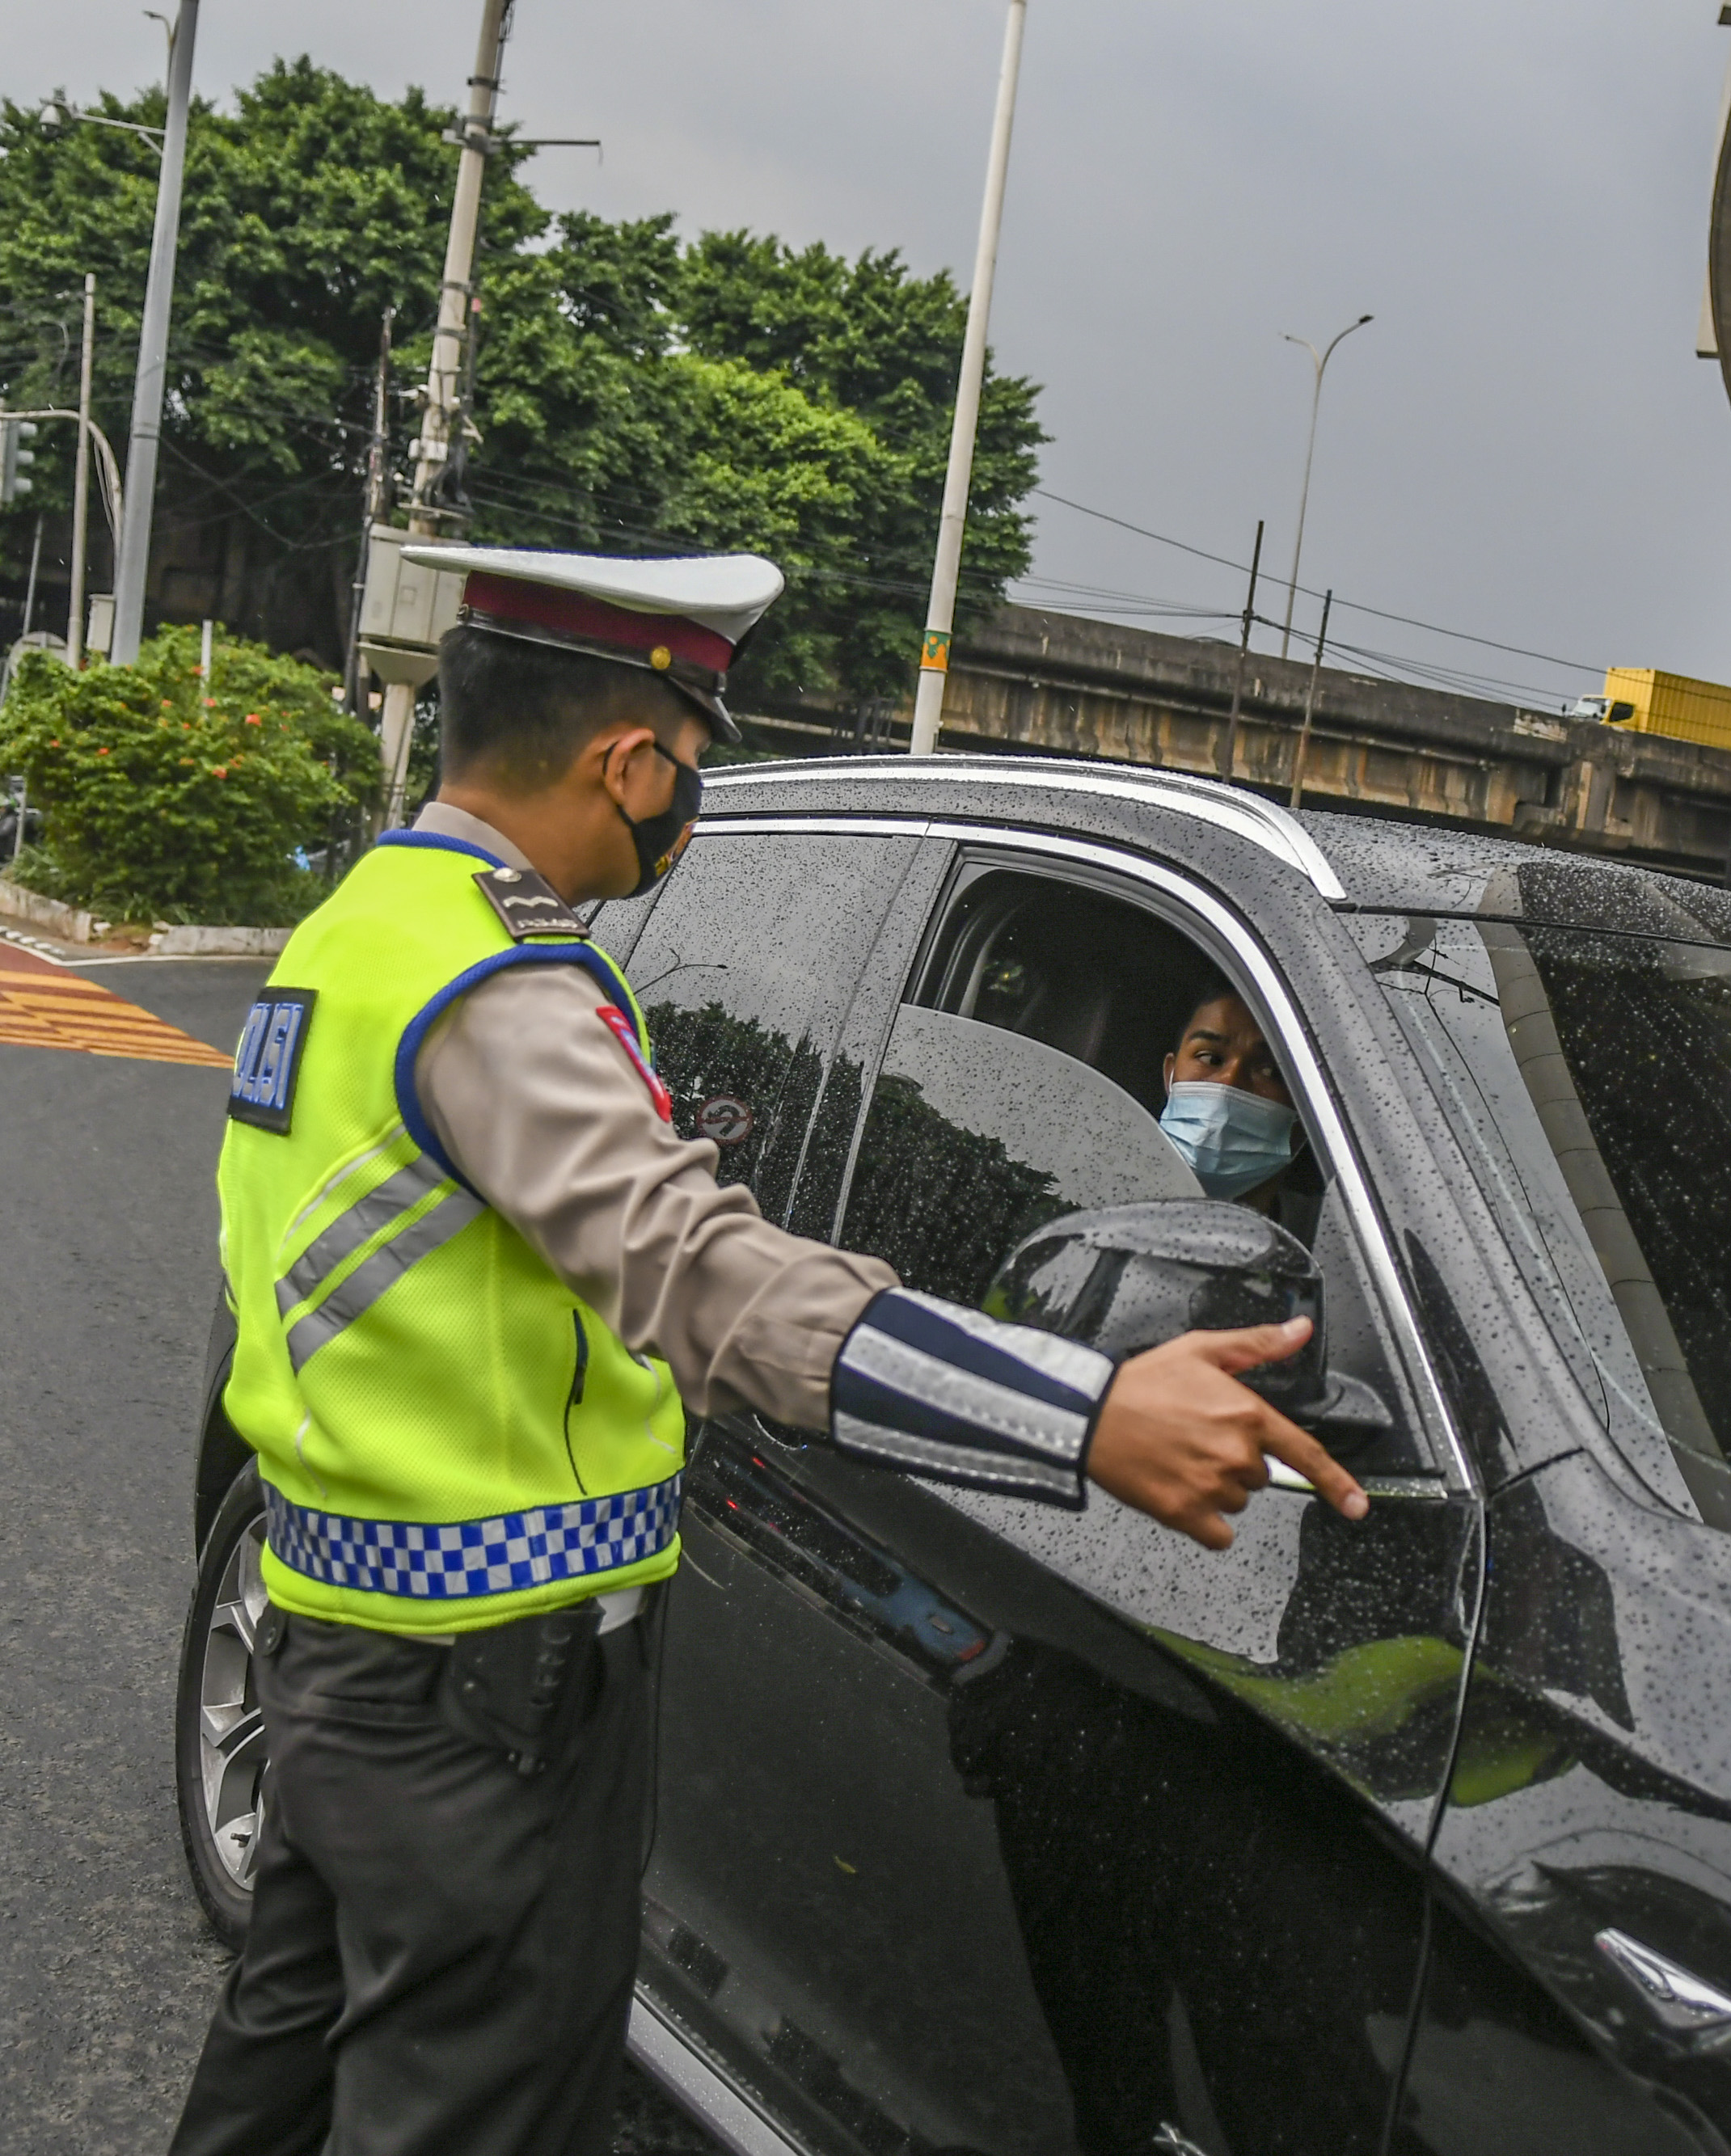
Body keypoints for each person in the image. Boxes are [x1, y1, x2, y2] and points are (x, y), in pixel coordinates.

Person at [173, 545, 1366, 2156]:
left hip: (341, 1640)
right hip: (478, 1696)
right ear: (627, 758)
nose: (690, 805)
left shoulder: (363, 923)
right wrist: (1083, 1408)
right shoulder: (498, 988)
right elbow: (699, 1274)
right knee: (467, 2112)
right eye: (694, 763)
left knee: (279, 2067)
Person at [1156, 978, 1302, 1211]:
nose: (1230, 1082)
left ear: (1305, 1115)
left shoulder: (1339, 1239)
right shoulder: (1091, 1197)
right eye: (1210, 1058)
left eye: (1269, 1071)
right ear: (1170, 1075)